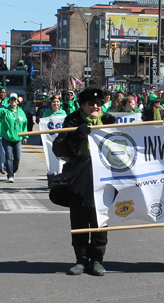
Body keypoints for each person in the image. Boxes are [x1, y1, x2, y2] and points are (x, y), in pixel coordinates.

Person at [52, 88, 116, 276]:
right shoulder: (72, 121)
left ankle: (97, 259)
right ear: (83, 105)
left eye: (98, 104)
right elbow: (59, 149)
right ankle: (81, 259)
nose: (95, 107)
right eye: (90, 104)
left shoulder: (109, 121)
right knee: (79, 220)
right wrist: (76, 136)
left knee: (99, 220)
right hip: (78, 178)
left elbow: (122, 147)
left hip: (104, 178)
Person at [0, 93, 28, 183]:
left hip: (18, 138)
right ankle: (10, 175)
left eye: (15, 100)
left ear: (17, 101)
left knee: (17, 158)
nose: (13, 101)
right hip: (7, 138)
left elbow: (24, 125)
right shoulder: (5, 111)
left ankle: (13, 170)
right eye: (11, 100)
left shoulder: (21, 112)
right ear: (9, 101)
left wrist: (25, 136)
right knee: (8, 156)